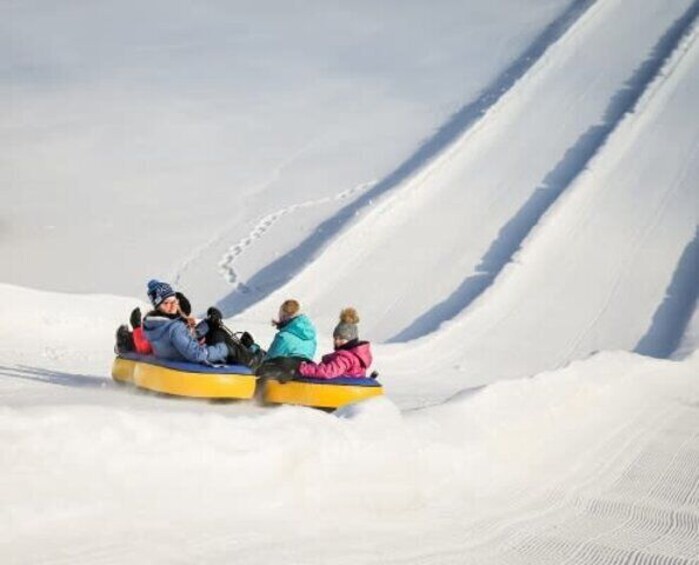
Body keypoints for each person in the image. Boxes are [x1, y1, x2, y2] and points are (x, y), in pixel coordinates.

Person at [141, 279, 259, 367]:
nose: (172, 306)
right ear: (157, 305)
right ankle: (252, 362)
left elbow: (184, 339)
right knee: (221, 335)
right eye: (166, 303)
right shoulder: (174, 328)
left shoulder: (152, 324)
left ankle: (247, 353)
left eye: (174, 301)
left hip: (177, 357)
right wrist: (225, 349)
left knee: (214, 328)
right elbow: (197, 354)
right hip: (193, 362)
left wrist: (207, 323)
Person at [297, 307, 372, 379]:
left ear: (351, 339)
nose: (337, 341)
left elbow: (328, 372)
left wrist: (302, 369)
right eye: (335, 338)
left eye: (341, 338)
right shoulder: (354, 356)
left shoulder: (345, 357)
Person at [255, 299, 317, 381]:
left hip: (283, 376)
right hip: (302, 374)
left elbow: (270, 359)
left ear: (284, 316)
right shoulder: (311, 338)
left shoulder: (283, 337)